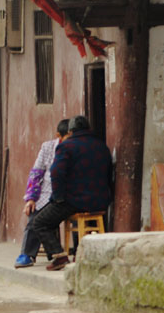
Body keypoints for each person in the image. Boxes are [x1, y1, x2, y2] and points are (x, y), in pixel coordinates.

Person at [32, 115, 113, 271]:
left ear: (70, 131)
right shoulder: (102, 146)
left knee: (40, 222)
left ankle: (59, 256)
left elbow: (56, 173)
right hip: (100, 201)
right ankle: (78, 253)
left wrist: (58, 198)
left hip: (74, 201)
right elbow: (109, 175)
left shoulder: (66, 146)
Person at [15, 118, 69, 268]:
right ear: (59, 135)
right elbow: (36, 173)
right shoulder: (47, 147)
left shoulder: (74, 150)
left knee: (44, 220)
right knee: (34, 215)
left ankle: (60, 253)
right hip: (45, 194)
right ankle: (27, 254)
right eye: (67, 137)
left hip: (64, 196)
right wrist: (31, 198)